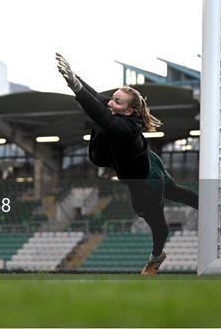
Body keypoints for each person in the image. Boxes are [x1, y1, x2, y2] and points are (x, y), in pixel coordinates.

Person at [55, 53, 198, 275]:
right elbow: (97, 99)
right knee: (177, 192)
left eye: (117, 101)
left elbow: (100, 114)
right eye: (113, 98)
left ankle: (156, 256)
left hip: (146, 184)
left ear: (129, 111)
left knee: (158, 225)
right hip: (151, 161)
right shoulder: (116, 108)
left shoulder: (124, 129)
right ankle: (211, 209)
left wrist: (76, 87)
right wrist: (75, 78)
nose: (111, 102)